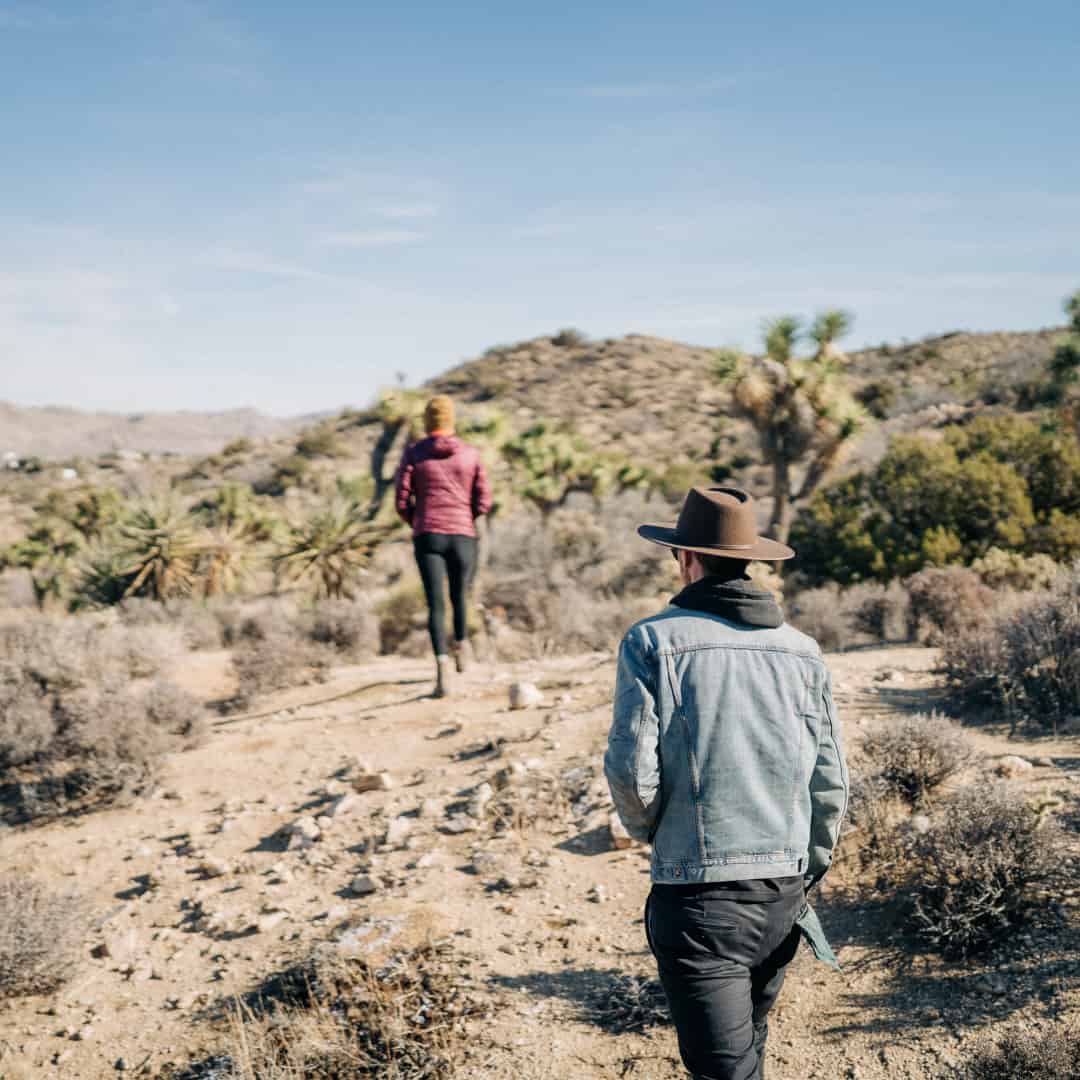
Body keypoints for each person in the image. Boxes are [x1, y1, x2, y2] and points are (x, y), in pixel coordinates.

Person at [604, 486, 848, 1080]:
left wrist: (659, 835)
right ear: (750, 561)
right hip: (782, 896)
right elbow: (831, 781)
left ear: (687, 559)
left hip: (699, 900)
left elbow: (633, 774)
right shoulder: (803, 652)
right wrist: (801, 869)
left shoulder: (652, 642)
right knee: (748, 1053)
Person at [395, 395, 492, 698]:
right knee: (459, 595)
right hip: (463, 534)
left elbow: (401, 499)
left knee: (435, 603)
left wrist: (419, 521)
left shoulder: (414, 453)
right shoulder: (470, 453)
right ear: (451, 419)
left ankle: (442, 673)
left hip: (428, 534)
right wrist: (465, 518)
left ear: (427, 420)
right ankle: (462, 644)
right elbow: (484, 500)